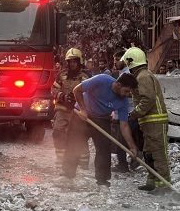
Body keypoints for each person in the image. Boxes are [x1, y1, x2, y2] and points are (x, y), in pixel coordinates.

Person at [59, 73, 140, 191]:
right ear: (118, 85)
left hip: (102, 119)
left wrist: (132, 147)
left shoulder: (123, 101)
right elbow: (77, 90)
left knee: (104, 150)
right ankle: (67, 176)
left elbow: (124, 125)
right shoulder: (101, 80)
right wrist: (83, 109)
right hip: (82, 115)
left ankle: (102, 182)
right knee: (74, 144)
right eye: (126, 91)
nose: (127, 95)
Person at [122, 47, 171, 193]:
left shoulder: (143, 76)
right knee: (149, 153)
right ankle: (152, 181)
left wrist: (135, 113)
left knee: (158, 153)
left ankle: (163, 186)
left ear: (131, 63)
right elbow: (139, 96)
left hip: (155, 122)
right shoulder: (140, 77)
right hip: (149, 123)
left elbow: (147, 99)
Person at [51, 48, 91, 162]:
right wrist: (62, 96)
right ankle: (60, 158)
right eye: (70, 62)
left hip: (79, 111)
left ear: (80, 61)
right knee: (58, 130)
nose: (72, 64)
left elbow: (92, 93)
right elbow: (53, 89)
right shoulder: (62, 75)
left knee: (80, 135)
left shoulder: (86, 76)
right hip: (62, 109)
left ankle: (83, 161)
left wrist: (80, 99)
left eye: (74, 61)